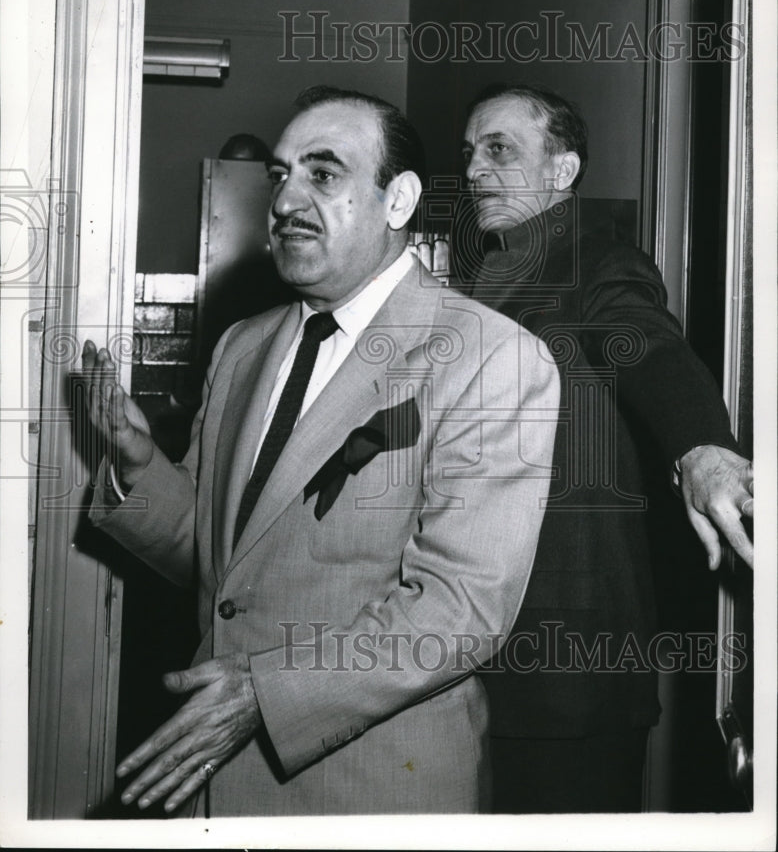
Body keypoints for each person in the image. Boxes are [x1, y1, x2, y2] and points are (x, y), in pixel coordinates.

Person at [81, 86, 560, 816]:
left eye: (323, 173)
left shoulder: (491, 357)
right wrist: (140, 468)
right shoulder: (243, 348)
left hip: (370, 792)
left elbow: (461, 611)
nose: (284, 201)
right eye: (280, 175)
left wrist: (268, 695)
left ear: (397, 201)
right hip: (215, 783)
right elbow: (216, 564)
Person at [460, 82, 754, 814]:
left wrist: (701, 447)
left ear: (562, 171)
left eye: (499, 150)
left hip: (568, 660)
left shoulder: (597, 257)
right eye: (470, 153)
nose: (472, 170)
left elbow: (645, 343)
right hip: (478, 642)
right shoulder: (491, 277)